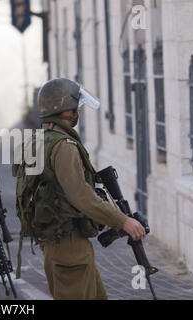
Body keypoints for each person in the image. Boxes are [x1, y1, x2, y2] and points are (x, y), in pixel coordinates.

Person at [35, 78, 146, 300]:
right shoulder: (63, 147)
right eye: (75, 107)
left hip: (61, 244)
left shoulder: (42, 142)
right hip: (68, 246)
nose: (77, 112)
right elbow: (81, 195)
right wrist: (122, 220)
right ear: (65, 109)